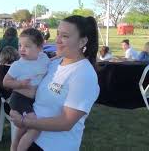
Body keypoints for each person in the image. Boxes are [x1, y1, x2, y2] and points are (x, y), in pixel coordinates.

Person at [9, 15, 100, 151]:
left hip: (53, 145)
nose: (57, 40)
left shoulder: (84, 75)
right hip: (31, 138)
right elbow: (33, 90)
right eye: (57, 34)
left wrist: (24, 122)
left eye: (65, 36)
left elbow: (66, 122)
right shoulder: (53, 64)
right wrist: (17, 106)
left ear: (82, 42)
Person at [3, 28, 50, 151]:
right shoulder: (18, 65)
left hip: (32, 101)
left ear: (40, 48)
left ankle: (14, 145)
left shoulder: (43, 58)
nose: (22, 49)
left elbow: (51, 64)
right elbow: (5, 82)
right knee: (35, 127)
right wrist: (20, 84)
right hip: (19, 99)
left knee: (24, 127)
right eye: (20, 45)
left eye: (27, 46)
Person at [0, 46, 20, 136]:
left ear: (2, 56)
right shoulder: (20, 67)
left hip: (11, 106)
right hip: (23, 104)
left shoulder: (1, 69)